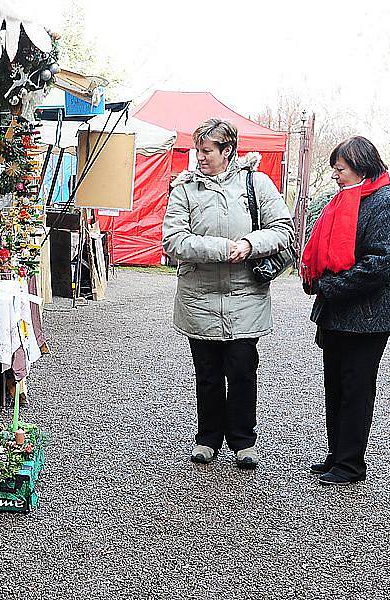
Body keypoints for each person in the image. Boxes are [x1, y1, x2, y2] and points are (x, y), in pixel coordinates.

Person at [162, 118, 294, 469]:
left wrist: (251, 244)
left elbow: (284, 231)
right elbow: (173, 241)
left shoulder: (257, 183)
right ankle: (207, 438)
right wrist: (223, 248)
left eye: (206, 151)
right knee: (206, 374)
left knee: (241, 370)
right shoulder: (185, 189)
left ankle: (243, 441)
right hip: (199, 298)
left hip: (246, 296)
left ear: (228, 151)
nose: (199, 158)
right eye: (197, 150)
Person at [302, 136, 390, 486]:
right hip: (339, 311)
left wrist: (328, 286)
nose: (335, 175)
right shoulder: (347, 199)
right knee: (335, 385)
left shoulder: (388, 203)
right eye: (335, 169)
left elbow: (380, 265)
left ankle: (350, 465)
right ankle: (337, 456)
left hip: (369, 315)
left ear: (362, 166)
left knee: (356, 387)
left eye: (340, 169)